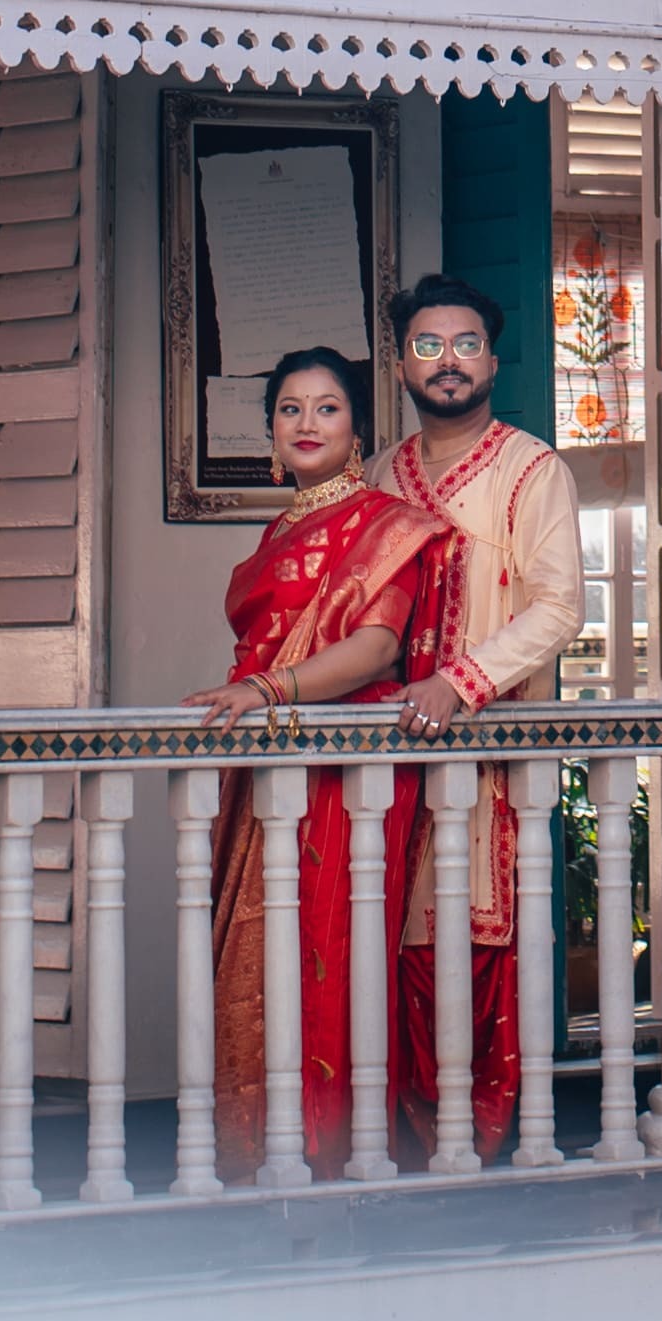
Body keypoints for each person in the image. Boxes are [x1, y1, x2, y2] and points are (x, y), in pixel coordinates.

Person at [193, 346, 459, 1159]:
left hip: (348, 773)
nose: (307, 423)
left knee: (328, 955)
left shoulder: (387, 526)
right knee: (259, 952)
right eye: (290, 410)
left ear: (357, 433)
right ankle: (265, 1150)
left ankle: (334, 1151)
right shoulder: (282, 528)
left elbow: (378, 650)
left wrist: (267, 692)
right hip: (270, 760)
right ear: (272, 434)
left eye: (328, 408)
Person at [373, 273, 578, 1151]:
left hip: (486, 760)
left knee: (477, 943)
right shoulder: (379, 473)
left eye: (464, 345)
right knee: (382, 942)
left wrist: (462, 681)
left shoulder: (533, 469)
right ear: (400, 366)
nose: (447, 363)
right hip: (388, 760)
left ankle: (480, 1149)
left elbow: (561, 608)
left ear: (492, 359)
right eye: (428, 346)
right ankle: (405, 1150)